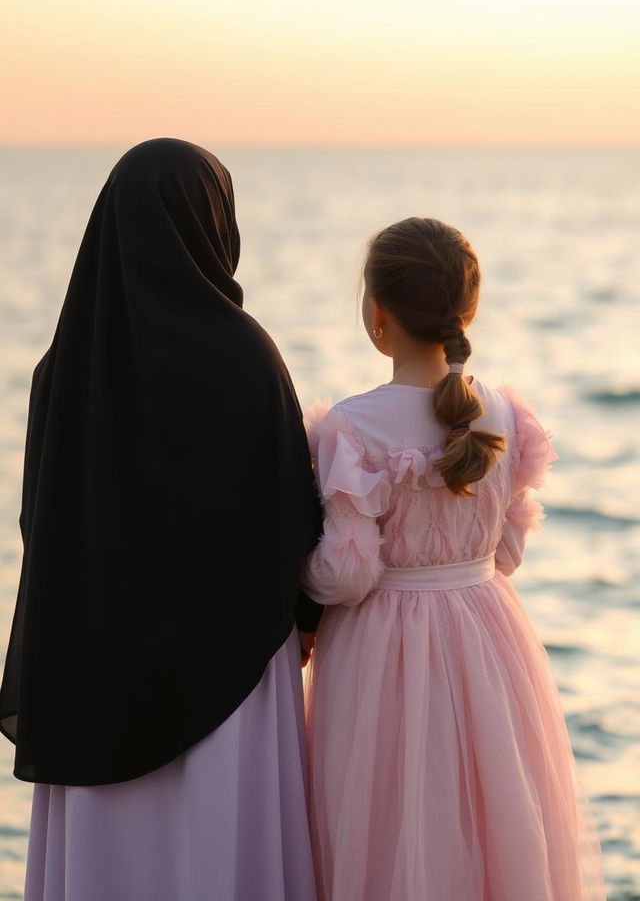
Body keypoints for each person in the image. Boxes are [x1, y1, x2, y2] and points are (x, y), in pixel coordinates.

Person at [0, 138, 322, 901]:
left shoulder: (63, 368)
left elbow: (39, 523)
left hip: (95, 671)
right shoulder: (246, 357)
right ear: (213, 225)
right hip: (229, 673)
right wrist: (309, 617)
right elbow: (291, 516)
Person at [302, 217, 604, 900]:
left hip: (382, 655)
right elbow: (507, 552)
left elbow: (347, 573)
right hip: (489, 643)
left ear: (376, 316)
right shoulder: (503, 416)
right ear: (465, 311)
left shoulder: (351, 426)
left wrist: (293, 578)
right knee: (488, 817)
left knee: (384, 824)